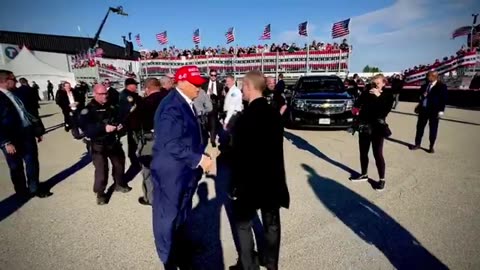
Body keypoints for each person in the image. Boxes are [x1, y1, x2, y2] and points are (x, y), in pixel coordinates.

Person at [151, 65, 213, 269]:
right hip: (172, 172)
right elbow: (170, 143)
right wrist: (199, 159)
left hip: (185, 169)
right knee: (167, 216)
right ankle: (168, 259)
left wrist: (200, 154)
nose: (199, 88)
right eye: (195, 84)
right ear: (182, 82)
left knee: (182, 211)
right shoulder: (171, 106)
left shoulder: (186, 101)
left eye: (200, 84)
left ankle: (181, 249)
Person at [230, 70, 290, 270]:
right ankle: (272, 263)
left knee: (243, 222)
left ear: (248, 86)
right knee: (271, 222)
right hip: (273, 177)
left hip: (250, 180)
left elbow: (239, 156)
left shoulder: (245, 118)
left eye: (242, 86)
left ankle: (248, 265)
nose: (241, 90)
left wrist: (234, 183)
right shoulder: (274, 113)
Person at [0, 70, 51, 198]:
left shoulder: (17, 94)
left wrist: (38, 130)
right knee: (16, 166)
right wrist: (5, 142)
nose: (16, 82)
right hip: (11, 138)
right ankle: (21, 192)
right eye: (13, 79)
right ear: (4, 81)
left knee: (32, 162)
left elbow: (30, 112)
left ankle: (34, 188)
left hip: (27, 133)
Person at [78, 84, 132, 205]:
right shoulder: (88, 110)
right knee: (101, 169)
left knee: (119, 164)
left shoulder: (112, 106)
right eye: (102, 94)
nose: (105, 96)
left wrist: (120, 126)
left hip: (113, 141)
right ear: (95, 94)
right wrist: (103, 128)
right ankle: (100, 193)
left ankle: (119, 183)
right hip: (98, 143)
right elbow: (86, 129)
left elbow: (120, 118)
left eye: (106, 93)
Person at [350, 74, 394, 191]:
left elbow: (385, 111)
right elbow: (357, 105)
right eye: (373, 83)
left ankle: (382, 179)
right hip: (364, 126)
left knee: (377, 154)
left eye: (377, 83)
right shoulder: (366, 93)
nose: (374, 86)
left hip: (377, 128)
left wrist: (378, 96)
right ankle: (364, 174)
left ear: (384, 83)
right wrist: (355, 110)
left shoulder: (387, 96)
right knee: (363, 152)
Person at [137, 78, 169, 206]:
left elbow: (133, 122)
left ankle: (150, 198)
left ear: (146, 89)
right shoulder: (170, 99)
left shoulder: (144, 103)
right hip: (169, 140)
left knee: (148, 170)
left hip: (150, 140)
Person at [410, 71, 447, 154]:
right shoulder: (424, 86)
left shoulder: (441, 86)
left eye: (428, 76)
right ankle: (417, 144)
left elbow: (443, 99)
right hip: (423, 110)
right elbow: (419, 96)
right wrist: (422, 96)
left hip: (434, 111)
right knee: (419, 128)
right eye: (427, 76)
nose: (427, 77)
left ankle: (431, 146)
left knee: (433, 129)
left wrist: (441, 111)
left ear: (434, 77)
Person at [118, 78, 143, 168]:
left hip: (135, 123)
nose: (136, 86)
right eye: (134, 84)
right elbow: (130, 110)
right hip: (131, 124)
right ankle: (135, 162)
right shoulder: (126, 96)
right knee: (133, 142)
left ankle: (136, 160)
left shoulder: (131, 94)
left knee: (135, 142)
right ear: (129, 86)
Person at [202, 69, 225, 147]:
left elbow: (221, 98)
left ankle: (212, 139)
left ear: (216, 76)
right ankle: (204, 138)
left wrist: (213, 95)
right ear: (209, 75)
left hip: (214, 106)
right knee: (204, 122)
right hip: (204, 105)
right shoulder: (204, 84)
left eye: (215, 75)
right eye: (212, 75)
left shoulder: (220, 85)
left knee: (213, 122)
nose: (213, 77)